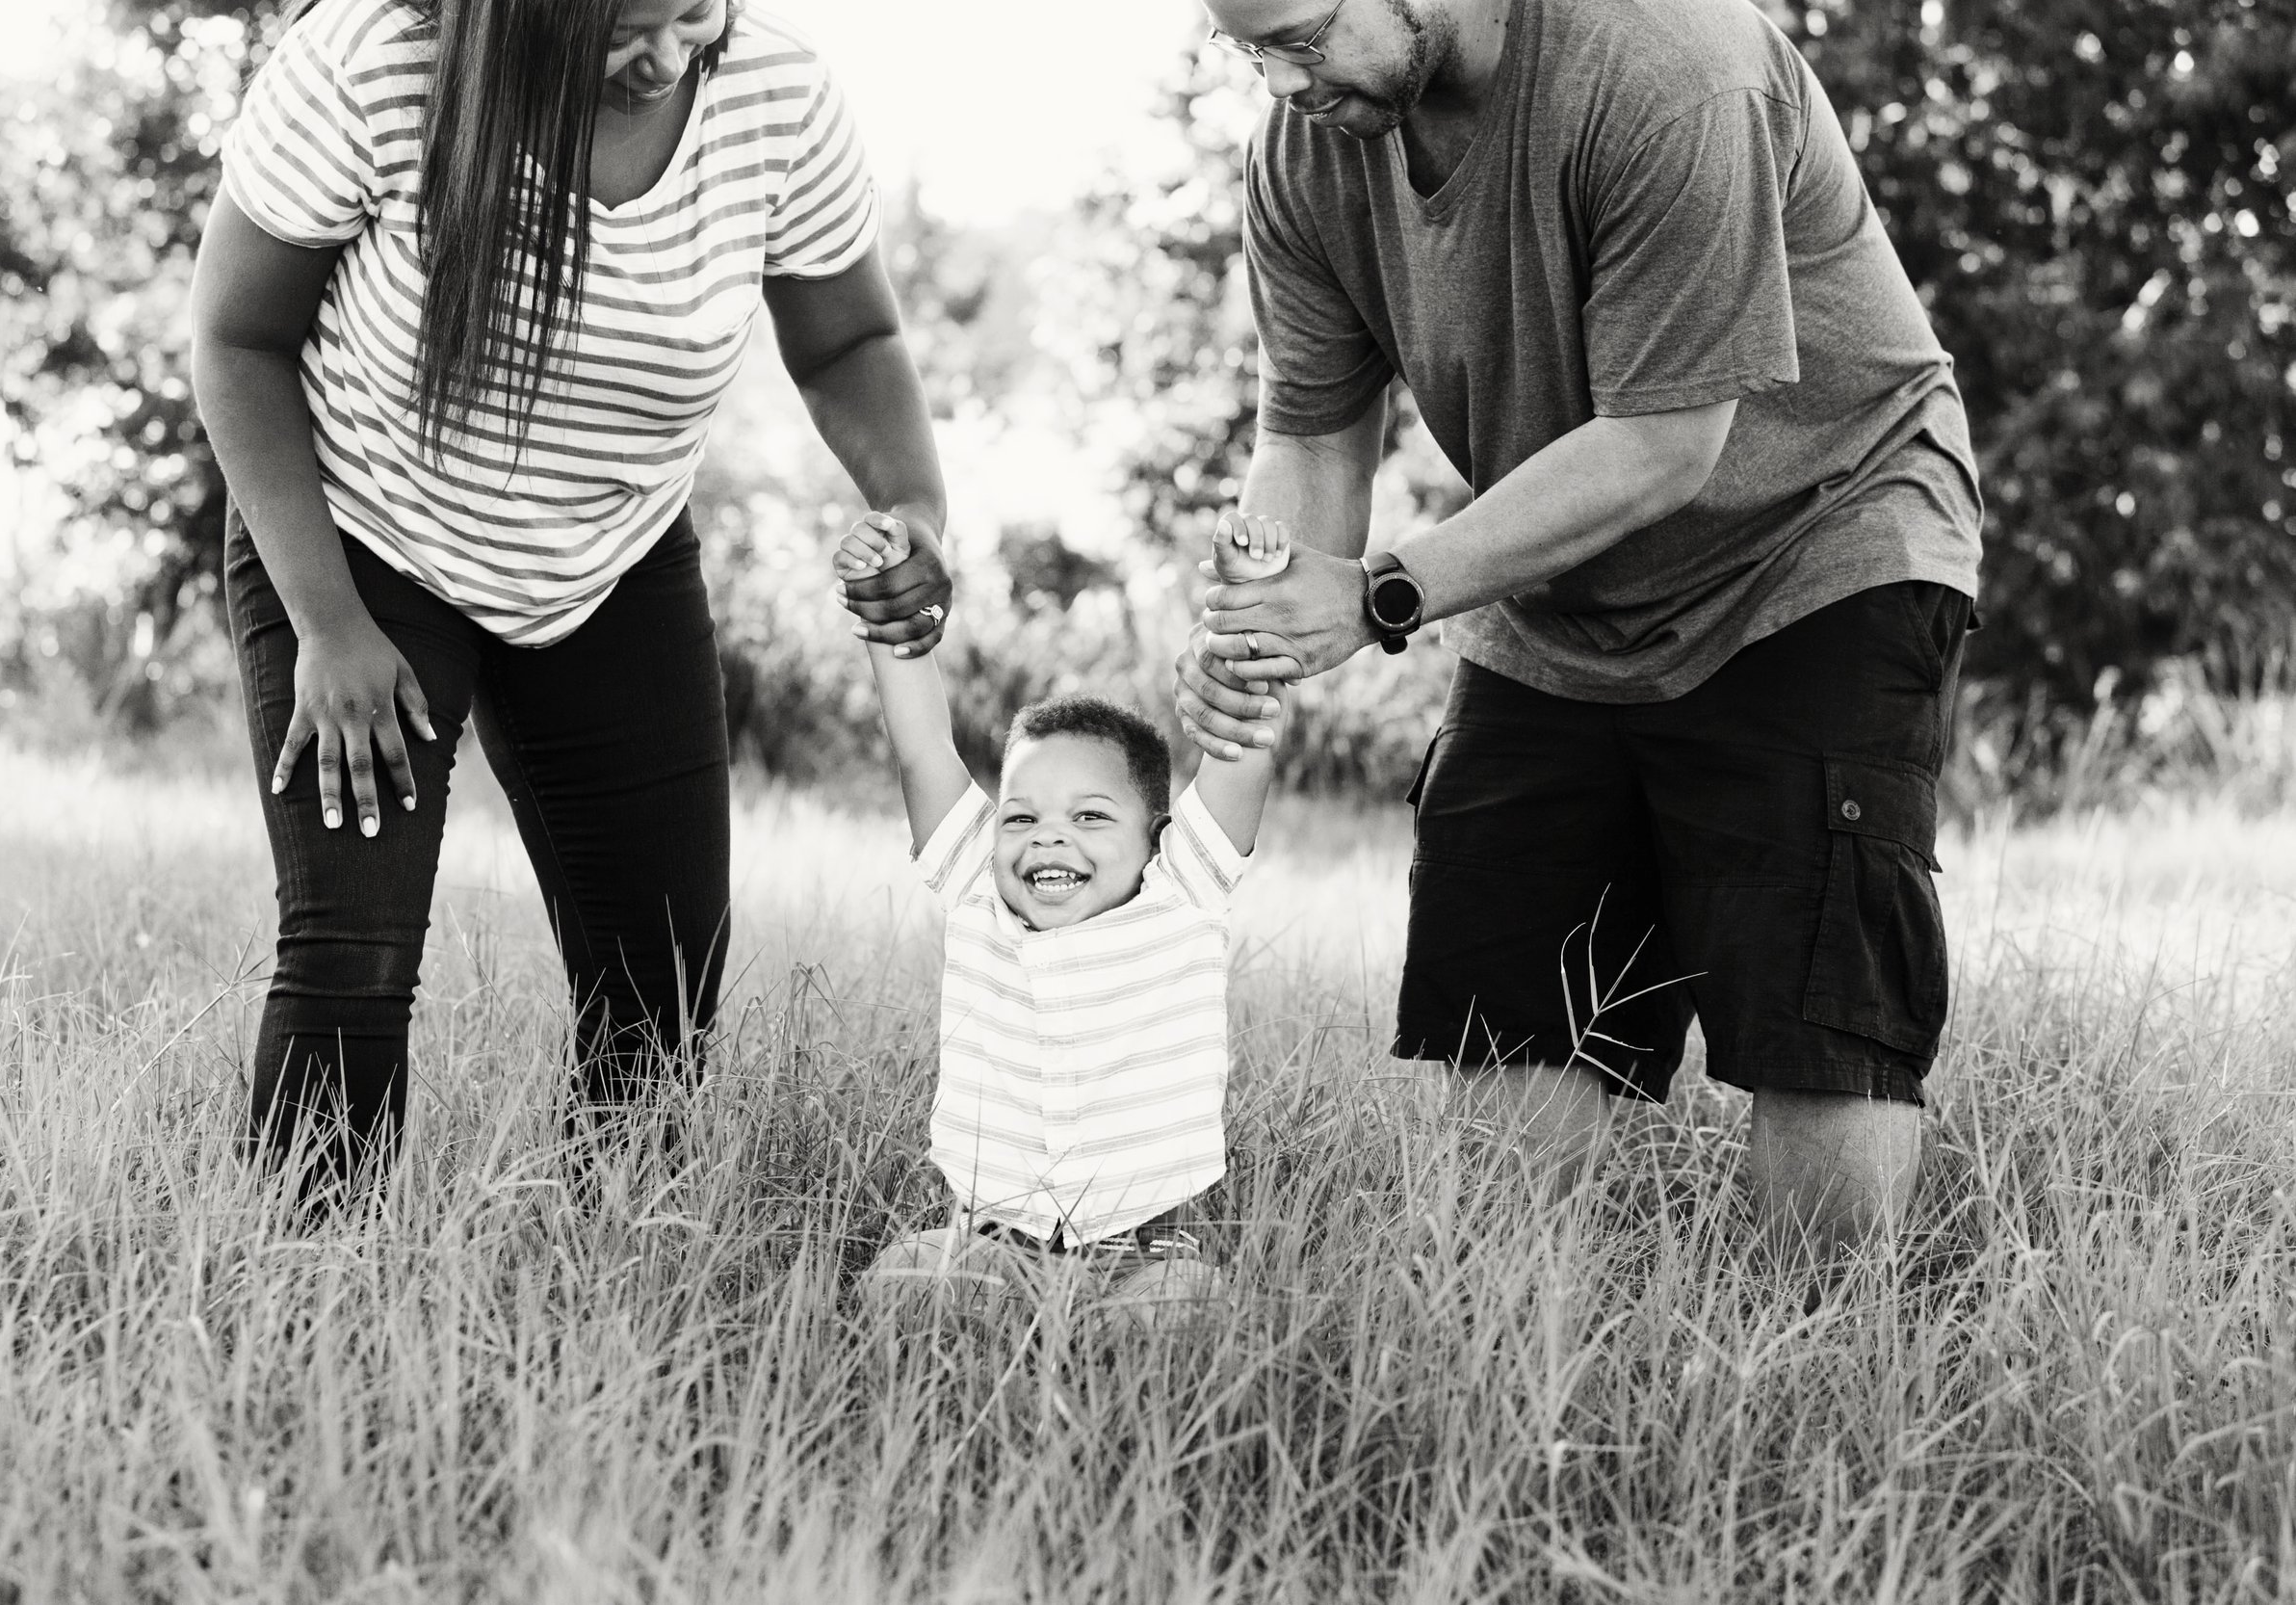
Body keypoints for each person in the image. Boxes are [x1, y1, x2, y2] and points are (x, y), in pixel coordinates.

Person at [1180, 0, 1983, 1276]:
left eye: (1301, 33)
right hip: (1560, 584)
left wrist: (1381, 593)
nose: (1281, 80)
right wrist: (1265, 619)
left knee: (1814, 1024)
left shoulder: (1670, 68)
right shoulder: (1309, 149)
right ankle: (1525, 1408)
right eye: (1247, 49)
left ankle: (1818, 1393)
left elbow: (1669, 442)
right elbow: (1315, 432)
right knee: (1503, 1037)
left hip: (1817, 541)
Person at [190, 0, 951, 1192]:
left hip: (611, 553)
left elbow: (848, 339)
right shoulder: (378, 63)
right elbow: (235, 338)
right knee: (355, 951)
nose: (664, 60)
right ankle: (300, 1308)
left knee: (664, 977)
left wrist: (914, 505)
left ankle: (613, 1275)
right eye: (620, 32)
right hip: (358, 538)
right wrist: (328, 625)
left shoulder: (777, 99)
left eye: (693, 14)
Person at [838, 511, 1291, 1324]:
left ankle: (1103, 1350)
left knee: (1189, 1313)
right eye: (1023, 816)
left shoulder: (1180, 889)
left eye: (1089, 818)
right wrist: (886, 610)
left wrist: (1251, 600)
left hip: (1148, 1250)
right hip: (992, 1242)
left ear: (1156, 840)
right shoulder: (979, 885)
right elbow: (921, 749)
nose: (1049, 833)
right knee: (901, 1283)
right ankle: (1014, 1359)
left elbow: (1241, 746)